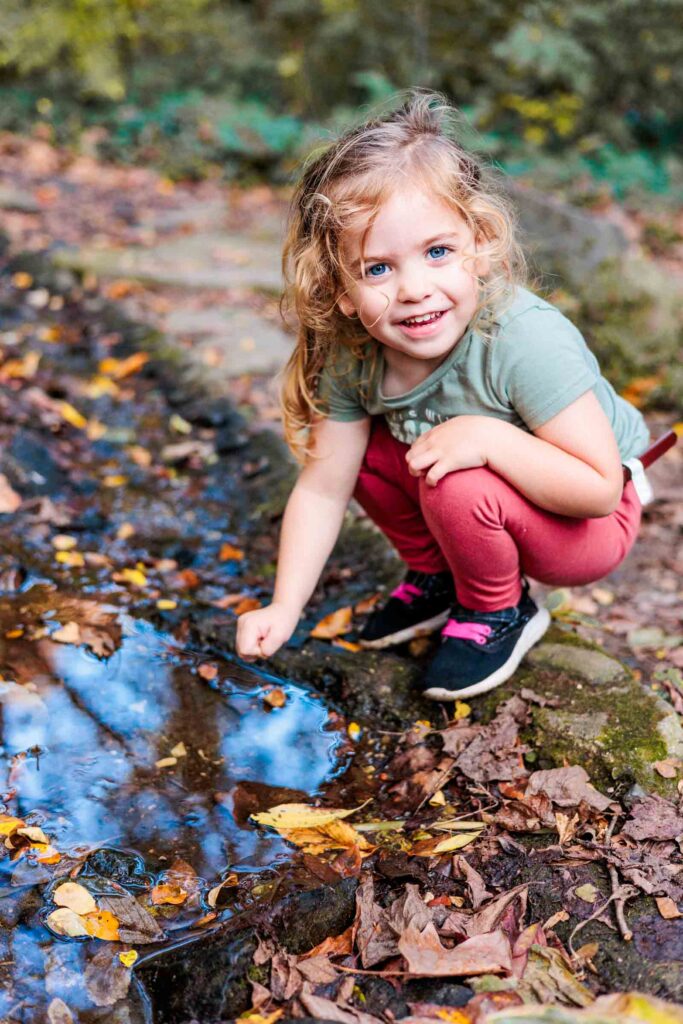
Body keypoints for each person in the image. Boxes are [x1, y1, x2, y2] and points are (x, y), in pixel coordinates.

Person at [236, 92, 649, 701]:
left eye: (437, 252)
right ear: (341, 288)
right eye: (378, 268)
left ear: (479, 245)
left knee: (454, 475)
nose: (413, 289)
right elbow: (324, 488)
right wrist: (285, 606)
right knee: (369, 453)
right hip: (496, 502)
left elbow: (597, 490)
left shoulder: (523, 338)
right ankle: (440, 578)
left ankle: (498, 610)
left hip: (586, 523)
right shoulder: (355, 354)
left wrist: (490, 438)